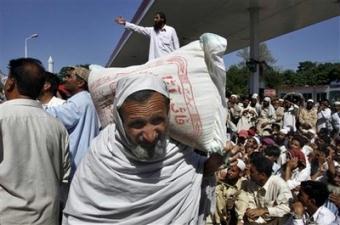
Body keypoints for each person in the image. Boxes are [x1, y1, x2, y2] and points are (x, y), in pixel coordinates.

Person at [62, 75, 223, 224]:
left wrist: (208, 168)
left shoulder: (181, 150)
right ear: (120, 121)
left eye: (157, 120)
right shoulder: (101, 155)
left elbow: (195, 186)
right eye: (137, 124)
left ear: (168, 111)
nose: (150, 136)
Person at [0, 58, 70, 224]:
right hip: (48, 218)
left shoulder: (2, 117)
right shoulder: (57, 126)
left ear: (10, 83)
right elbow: (64, 175)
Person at [46, 66, 99, 176]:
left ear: (80, 82)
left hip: (76, 165)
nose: (65, 79)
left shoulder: (78, 102)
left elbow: (51, 116)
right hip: (89, 164)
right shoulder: (89, 99)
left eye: (69, 76)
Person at [245, 153, 292, 225]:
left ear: (262, 175)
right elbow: (250, 202)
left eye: (252, 172)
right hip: (257, 220)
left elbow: (287, 208)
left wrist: (265, 211)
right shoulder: (252, 182)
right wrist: (252, 213)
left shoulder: (279, 184)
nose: (249, 174)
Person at [115, 11, 180, 60]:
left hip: (169, 62)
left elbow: (177, 48)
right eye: (154, 18)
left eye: (157, 18)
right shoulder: (152, 31)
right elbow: (138, 28)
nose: (154, 20)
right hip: (155, 64)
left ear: (162, 19)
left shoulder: (171, 30)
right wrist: (125, 23)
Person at [213, 159, 249, 225]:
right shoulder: (222, 181)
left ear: (240, 173)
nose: (229, 172)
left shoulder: (243, 185)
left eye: (233, 171)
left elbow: (242, 206)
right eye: (229, 169)